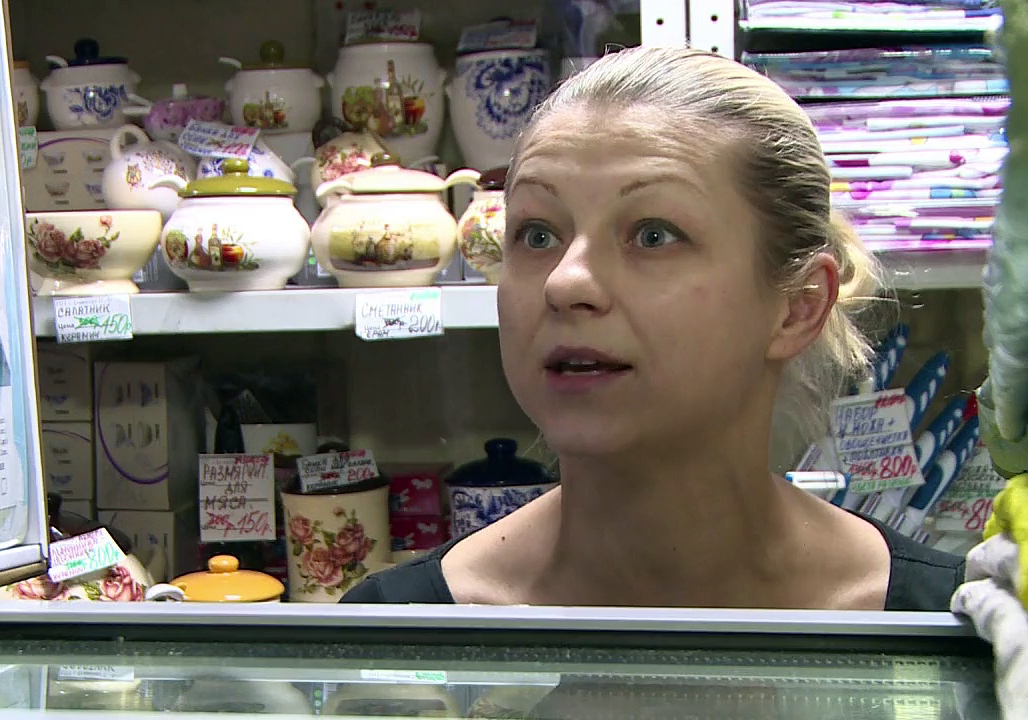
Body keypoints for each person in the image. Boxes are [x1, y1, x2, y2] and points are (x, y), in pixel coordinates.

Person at [340, 45, 965, 610]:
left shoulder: (949, 630)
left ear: (799, 306)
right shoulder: (399, 636)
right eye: (538, 235)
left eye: (653, 235)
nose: (565, 282)